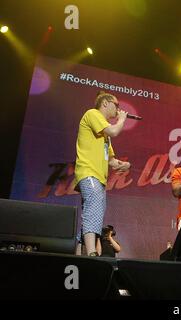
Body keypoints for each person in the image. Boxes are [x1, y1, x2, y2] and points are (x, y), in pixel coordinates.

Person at [74, 91, 131, 256]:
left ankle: (78, 253)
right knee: (94, 207)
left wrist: (124, 165)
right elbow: (114, 131)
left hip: (99, 177)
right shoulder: (93, 114)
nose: (118, 109)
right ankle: (91, 252)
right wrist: (122, 120)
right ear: (105, 103)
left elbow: (111, 160)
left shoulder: (105, 134)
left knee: (95, 212)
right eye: (116, 104)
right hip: (88, 171)